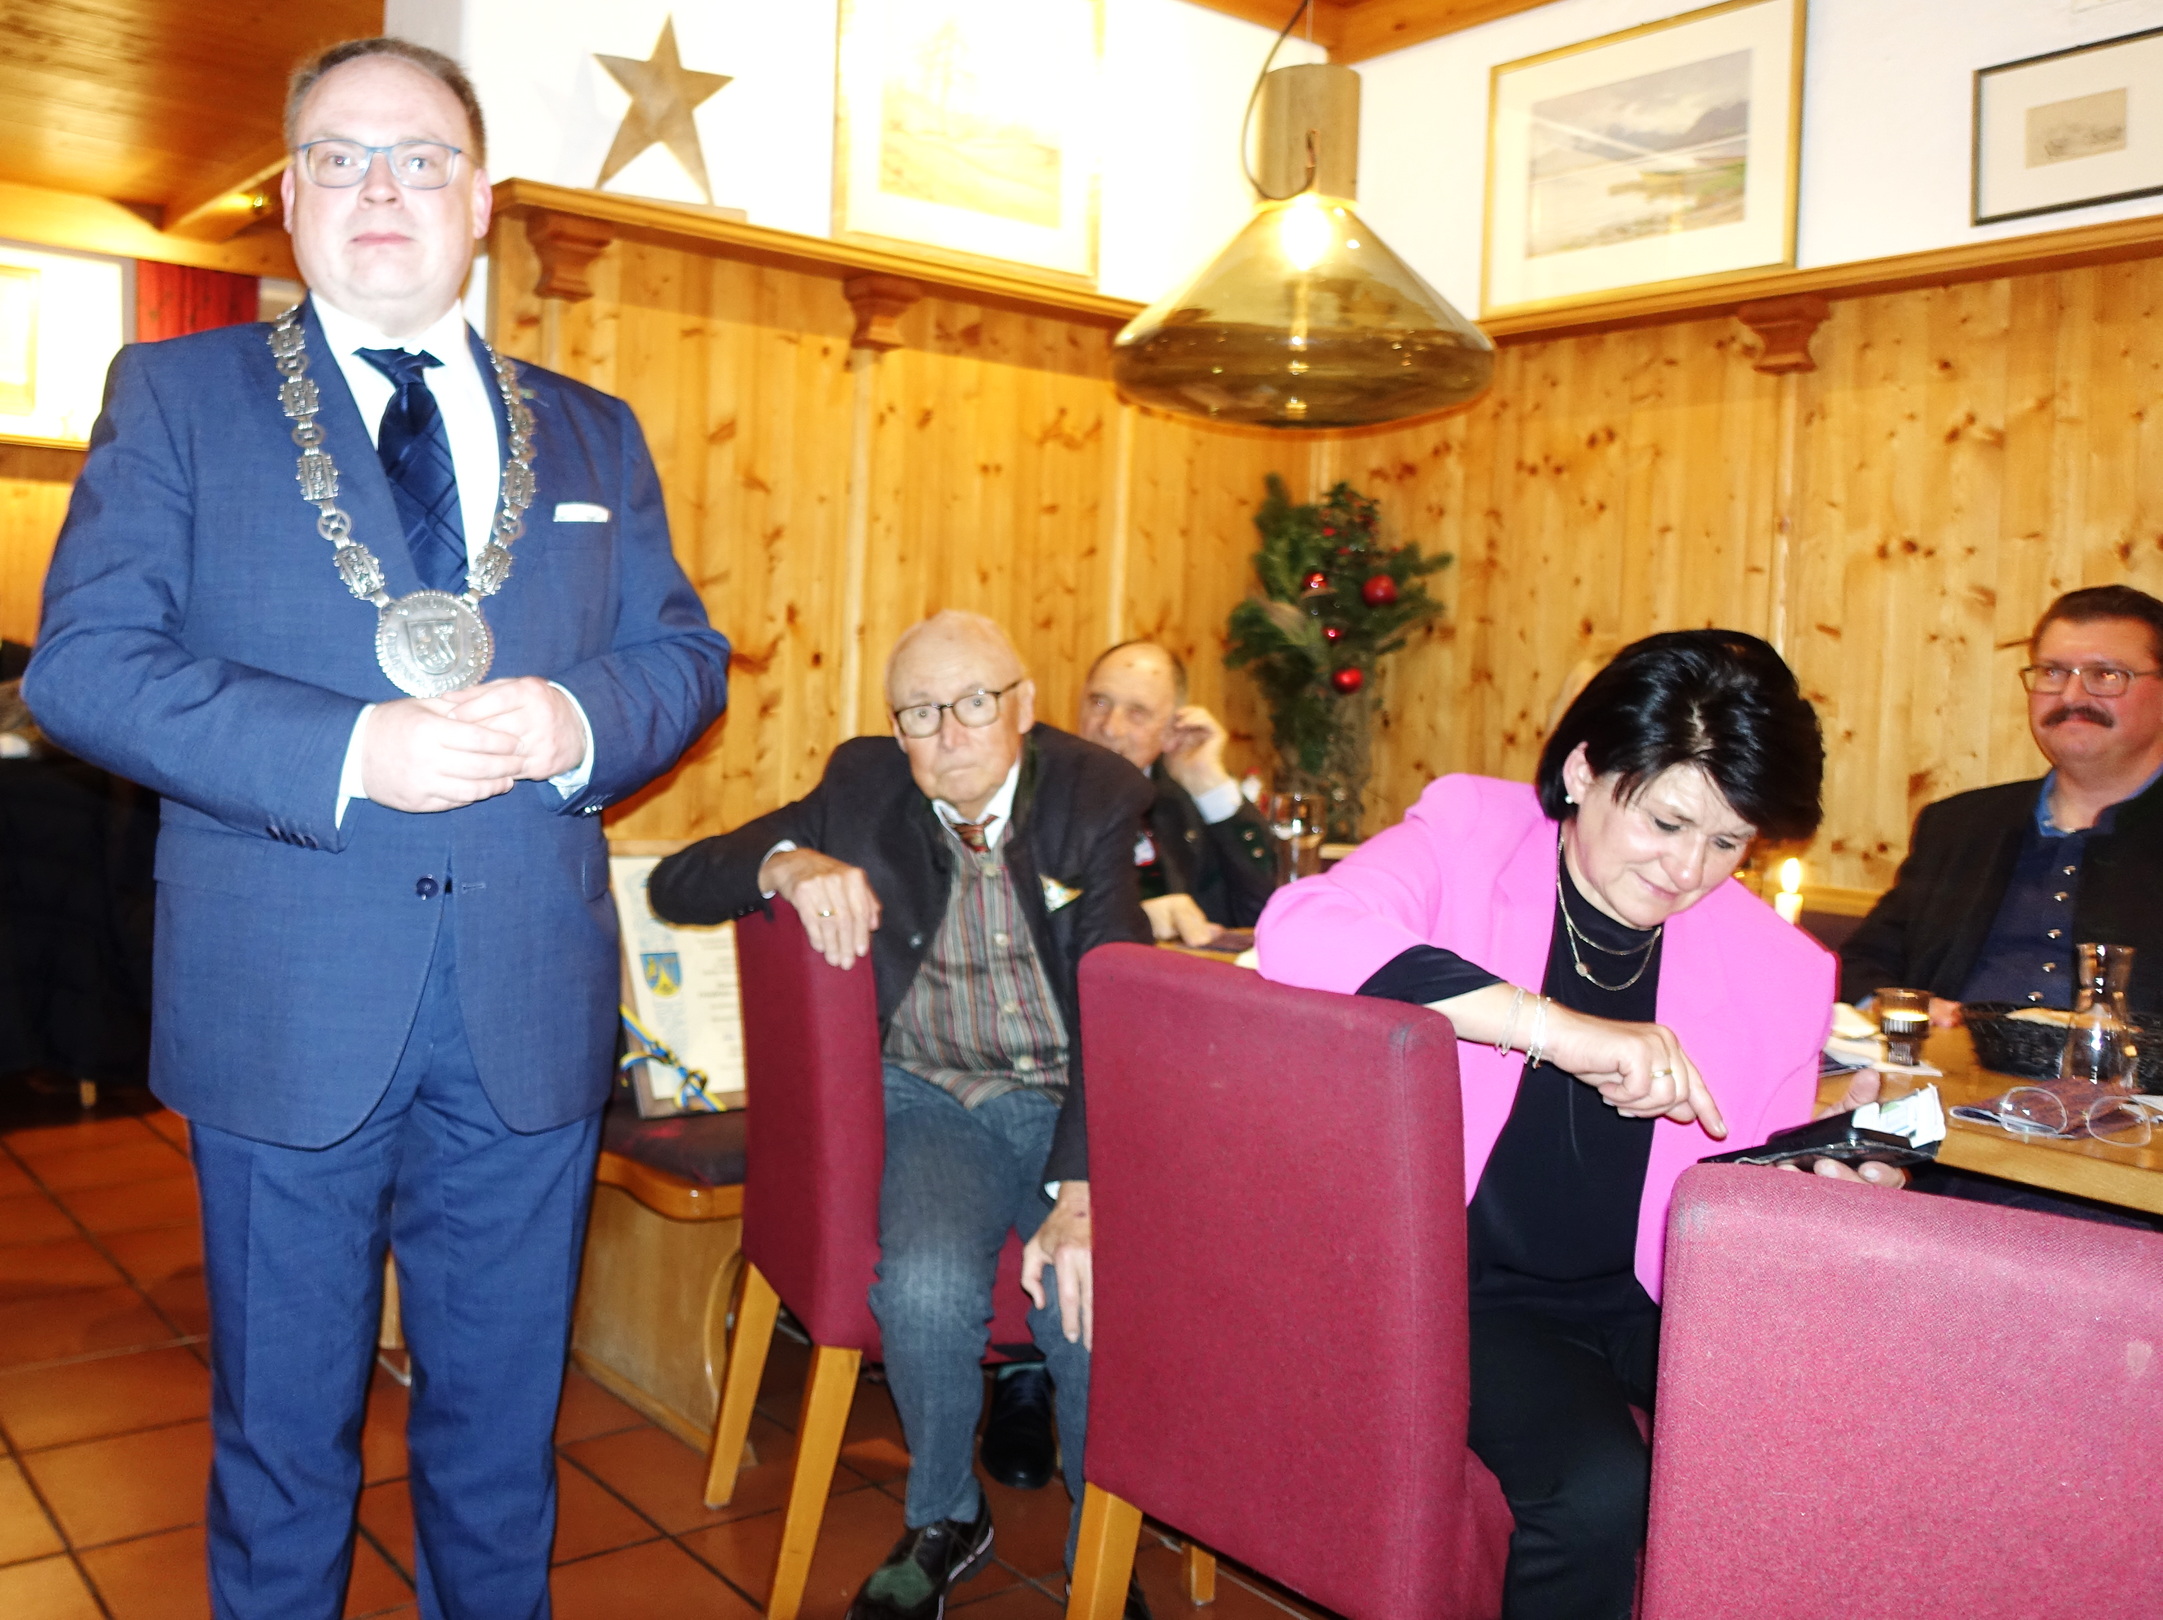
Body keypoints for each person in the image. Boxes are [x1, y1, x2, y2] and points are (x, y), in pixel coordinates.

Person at [23, 38, 729, 1619]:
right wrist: (349, 749)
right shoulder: (178, 397)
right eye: (339, 157)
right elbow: (84, 666)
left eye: (419, 157)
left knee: (502, 1448)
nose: (380, 187)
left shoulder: (596, 432)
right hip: (283, 1002)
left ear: (478, 201)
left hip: (529, 1005)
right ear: (290, 199)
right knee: (282, 1451)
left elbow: (684, 654)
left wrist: (576, 721)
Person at [1255, 630, 1901, 1620]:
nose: (1686, 870)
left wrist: (1821, 1180)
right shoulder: (1470, 835)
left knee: (1833, 1439)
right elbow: (1301, 931)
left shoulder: (1781, 969)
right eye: (1665, 821)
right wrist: (1554, 1029)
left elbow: (1741, 1185)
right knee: (1598, 1490)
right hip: (1462, 1283)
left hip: (1653, 1291)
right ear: (1584, 770)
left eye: (1727, 842)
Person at [647, 611, 1154, 1620]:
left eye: (974, 703)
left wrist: (1083, 1195)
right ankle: (945, 1515)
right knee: (920, 1288)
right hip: (932, 1095)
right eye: (920, 712)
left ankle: (1099, 1547)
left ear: (1024, 706)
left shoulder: (1096, 794)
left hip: (1069, 1097)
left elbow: (1119, 1004)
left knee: (1084, 1304)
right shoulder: (862, 785)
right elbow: (678, 882)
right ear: (896, 726)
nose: (949, 732)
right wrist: (785, 862)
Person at [1842, 584, 2163, 1021]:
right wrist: (1899, 1008)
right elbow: (1862, 963)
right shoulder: (1957, 827)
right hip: (1947, 1061)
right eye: (2052, 672)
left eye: (2105, 675)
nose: (2071, 696)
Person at [1076, 640, 1277, 945]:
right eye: (1100, 702)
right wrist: (1133, 919)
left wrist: (1209, 784)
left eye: (1137, 712)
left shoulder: (1181, 798)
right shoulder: (1041, 794)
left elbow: (1265, 916)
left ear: (1172, 725)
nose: (1110, 728)